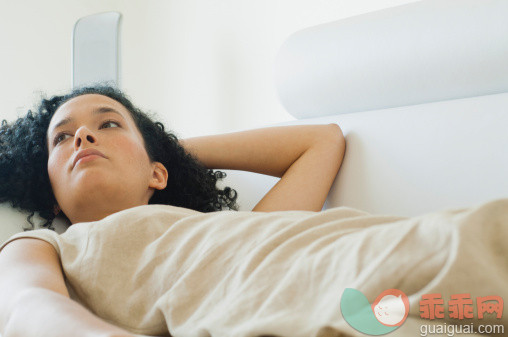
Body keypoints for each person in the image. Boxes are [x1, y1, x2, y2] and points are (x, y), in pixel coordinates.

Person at [0, 85, 346, 337]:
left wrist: (160, 153)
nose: (83, 135)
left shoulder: (231, 229)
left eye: (108, 124)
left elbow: (324, 141)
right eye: (61, 137)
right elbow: (28, 308)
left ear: (158, 174)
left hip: (348, 277)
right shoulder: (40, 246)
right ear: (53, 197)